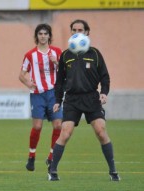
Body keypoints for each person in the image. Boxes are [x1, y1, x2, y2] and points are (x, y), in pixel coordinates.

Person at [48, 19, 120, 181]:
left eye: (80, 29)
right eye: (74, 30)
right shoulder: (66, 55)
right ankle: (52, 171)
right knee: (65, 133)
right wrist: (58, 100)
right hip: (72, 100)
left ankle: (113, 171)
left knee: (101, 131)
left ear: (87, 33)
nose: (77, 32)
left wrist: (104, 92)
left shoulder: (94, 53)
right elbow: (59, 81)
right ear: (71, 32)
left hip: (91, 98)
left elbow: (105, 77)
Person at [19, 23, 62, 172]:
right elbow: (21, 75)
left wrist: (56, 62)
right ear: (36, 36)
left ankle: (51, 157)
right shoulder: (30, 55)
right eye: (40, 34)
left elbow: (66, 71)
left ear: (49, 36)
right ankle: (31, 156)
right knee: (37, 126)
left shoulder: (57, 52)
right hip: (37, 94)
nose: (43, 36)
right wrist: (28, 83)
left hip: (54, 94)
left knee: (58, 125)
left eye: (45, 34)